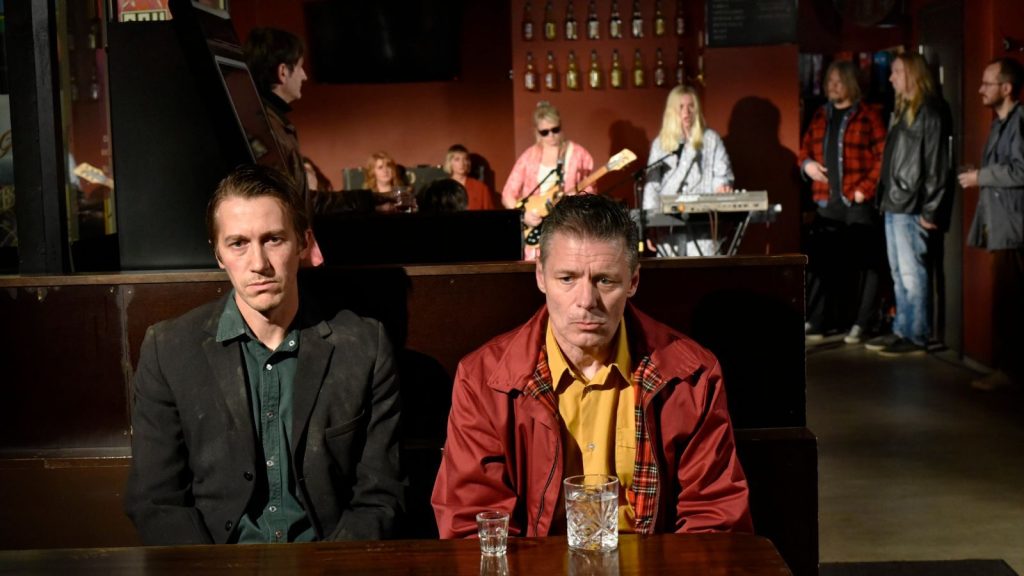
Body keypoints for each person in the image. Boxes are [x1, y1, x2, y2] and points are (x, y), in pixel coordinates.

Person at [432, 194, 752, 538]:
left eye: (605, 280)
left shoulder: (691, 376)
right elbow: (475, 525)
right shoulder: (484, 380)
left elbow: (714, 520)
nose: (586, 301)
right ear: (540, 276)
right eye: (567, 278)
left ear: (633, 281)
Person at [124, 165, 404, 545]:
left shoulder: (363, 346)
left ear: (303, 242)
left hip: (329, 563)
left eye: (273, 239)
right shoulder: (169, 349)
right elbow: (157, 501)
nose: (258, 264)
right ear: (218, 254)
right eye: (238, 243)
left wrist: (331, 568)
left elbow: (381, 496)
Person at [866, 52, 950, 356]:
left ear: (913, 74)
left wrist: (931, 209)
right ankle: (903, 328)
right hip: (895, 203)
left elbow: (937, 164)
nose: (891, 78)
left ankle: (916, 335)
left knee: (912, 273)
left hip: (911, 205)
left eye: (897, 71)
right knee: (900, 273)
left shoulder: (929, 112)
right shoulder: (904, 110)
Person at [798, 61, 888, 344]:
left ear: (851, 83)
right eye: (829, 81)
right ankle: (818, 320)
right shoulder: (820, 115)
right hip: (827, 201)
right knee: (821, 263)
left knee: (866, 265)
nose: (832, 86)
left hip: (857, 201)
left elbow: (883, 157)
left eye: (838, 81)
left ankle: (862, 323)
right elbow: (803, 150)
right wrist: (807, 165)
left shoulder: (868, 115)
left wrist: (865, 189)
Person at [957, 57, 1024, 390]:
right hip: (1003, 225)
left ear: (1006, 88)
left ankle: (1010, 372)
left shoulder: (1019, 121)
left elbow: (1021, 170)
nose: (981, 89)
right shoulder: (1000, 123)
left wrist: (980, 177)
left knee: (1010, 302)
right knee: (1007, 301)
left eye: (988, 83)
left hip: (1014, 227)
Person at [244, 28, 323, 267]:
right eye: (299, 67)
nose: (305, 76)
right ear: (282, 72)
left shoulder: (267, 121)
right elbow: (284, 202)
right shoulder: (268, 128)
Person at [642, 85, 734, 256]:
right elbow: (652, 186)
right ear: (672, 111)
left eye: (691, 106)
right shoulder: (660, 144)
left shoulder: (711, 139)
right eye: (681, 107)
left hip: (703, 225)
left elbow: (722, 175)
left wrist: (722, 186)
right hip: (668, 225)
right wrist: (650, 225)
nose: (686, 112)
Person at [501, 101, 595, 259]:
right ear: (537, 132)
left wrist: (577, 200)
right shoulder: (529, 156)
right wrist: (523, 215)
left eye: (555, 130)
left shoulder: (579, 154)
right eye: (545, 132)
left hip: (568, 225)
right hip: (536, 230)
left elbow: (591, 190)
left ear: (561, 126)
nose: (551, 135)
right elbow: (507, 194)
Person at [444, 144, 495, 210]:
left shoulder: (480, 188)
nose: (462, 163)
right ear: (449, 162)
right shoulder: (443, 189)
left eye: (465, 159)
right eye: (457, 159)